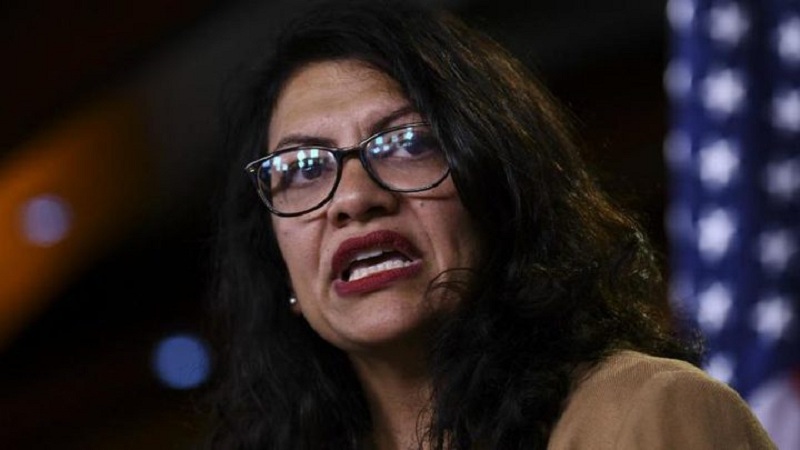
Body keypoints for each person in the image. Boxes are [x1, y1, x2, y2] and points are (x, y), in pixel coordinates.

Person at [208, 1, 776, 449]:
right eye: (302, 169)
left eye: (408, 143)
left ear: (500, 191)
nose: (353, 198)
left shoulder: (646, 414)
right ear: (277, 263)